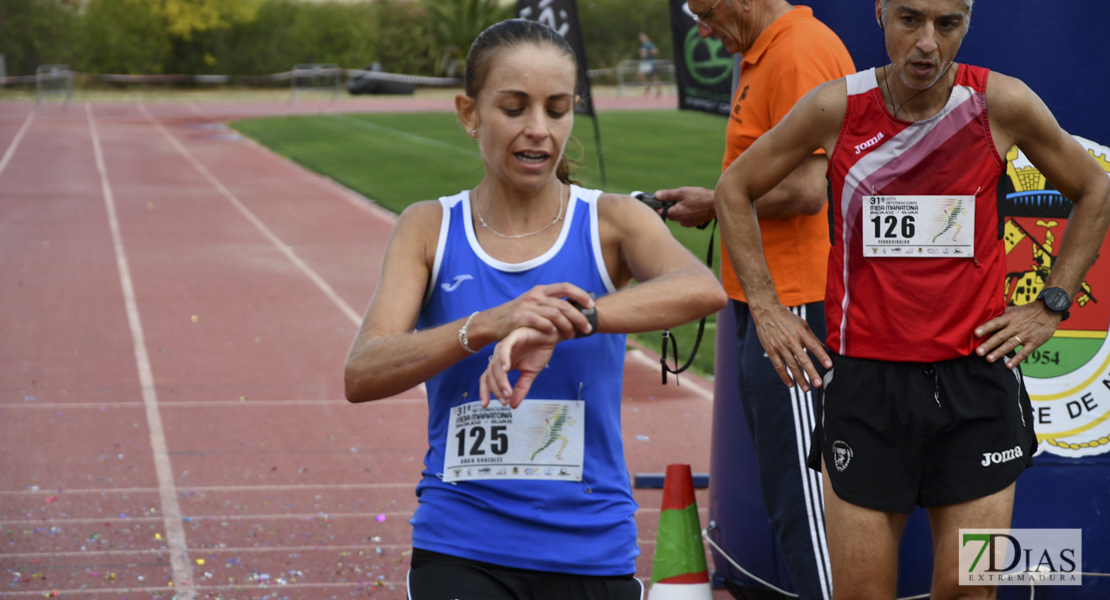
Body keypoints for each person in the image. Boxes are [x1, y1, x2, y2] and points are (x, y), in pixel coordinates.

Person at [712, 0, 1110, 598]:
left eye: (946, 25)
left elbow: (1093, 187)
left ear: (967, 23)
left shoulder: (1001, 103)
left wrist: (1050, 304)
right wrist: (766, 309)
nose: (927, 43)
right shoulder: (835, 107)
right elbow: (734, 188)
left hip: (976, 383)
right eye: (909, 20)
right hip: (867, 387)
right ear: (880, 15)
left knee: (970, 589)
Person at [343, 18, 726, 600]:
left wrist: (570, 317)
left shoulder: (611, 221)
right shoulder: (429, 227)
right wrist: (489, 324)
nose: (539, 131)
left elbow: (701, 289)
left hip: (590, 544)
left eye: (557, 108)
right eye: (515, 108)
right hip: (461, 542)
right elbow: (363, 371)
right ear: (469, 113)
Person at [652, 1, 853, 598]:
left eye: (706, 11)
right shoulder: (763, 51)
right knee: (793, 492)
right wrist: (718, 199)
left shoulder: (797, 51)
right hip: (771, 297)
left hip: (795, 302)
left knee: (805, 497)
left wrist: (717, 202)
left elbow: (805, 188)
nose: (701, 29)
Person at [636, 32, 662, 96]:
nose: (641, 38)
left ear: (646, 37)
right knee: (639, 74)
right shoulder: (643, 44)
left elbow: (656, 52)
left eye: (642, 37)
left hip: (651, 63)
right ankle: (647, 86)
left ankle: (659, 90)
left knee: (654, 77)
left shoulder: (649, 44)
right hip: (645, 63)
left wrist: (647, 52)